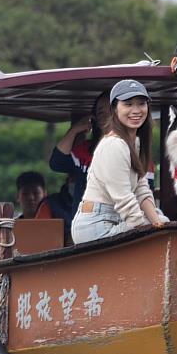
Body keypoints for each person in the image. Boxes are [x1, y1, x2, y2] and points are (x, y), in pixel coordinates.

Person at [71, 80, 167, 244]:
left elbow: (142, 189)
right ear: (115, 109)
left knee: (163, 221)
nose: (136, 110)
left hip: (118, 217)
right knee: (150, 231)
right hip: (97, 223)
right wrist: (150, 232)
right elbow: (124, 200)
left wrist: (159, 223)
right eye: (128, 104)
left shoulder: (135, 142)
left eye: (141, 104)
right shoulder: (114, 144)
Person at [34, 173, 75, 245]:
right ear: (68, 180)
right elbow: (38, 239)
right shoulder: (50, 204)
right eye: (73, 179)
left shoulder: (98, 201)